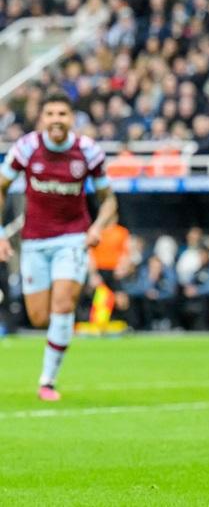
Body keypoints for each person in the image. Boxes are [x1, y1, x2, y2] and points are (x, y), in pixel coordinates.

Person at [0, 94, 118, 401]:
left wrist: (96, 226)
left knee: (63, 304)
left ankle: (47, 381)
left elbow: (109, 201)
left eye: (62, 114)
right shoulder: (26, 148)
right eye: (50, 113)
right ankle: (55, 345)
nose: (56, 119)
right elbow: (0, 187)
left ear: (71, 118)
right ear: (42, 118)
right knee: (39, 317)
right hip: (34, 240)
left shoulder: (88, 151)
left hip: (72, 238)